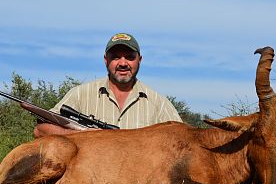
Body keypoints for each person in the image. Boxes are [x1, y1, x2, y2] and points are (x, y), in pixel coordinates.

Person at [34, 33, 182, 137]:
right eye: (116, 57)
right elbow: (41, 130)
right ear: (106, 60)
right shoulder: (80, 95)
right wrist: (83, 136)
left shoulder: (159, 104)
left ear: (139, 60)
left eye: (130, 57)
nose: (123, 63)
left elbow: (183, 141)